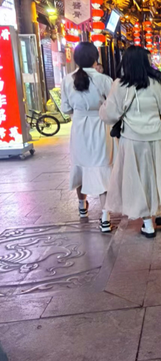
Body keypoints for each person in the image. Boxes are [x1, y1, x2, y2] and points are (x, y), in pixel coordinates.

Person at [100, 46, 161, 238]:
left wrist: (102, 108)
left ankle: (148, 223)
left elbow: (110, 114)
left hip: (132, 140)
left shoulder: (120, 85)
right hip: (156, 138)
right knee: (156, 175)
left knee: (137, 179)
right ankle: (160, 212)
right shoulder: (155, 83)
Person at [60, 42, 114, 232]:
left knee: (80, 166)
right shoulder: (104, 80)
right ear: (95, 58)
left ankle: (82, 207)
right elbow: (113, 106)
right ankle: (105, 217)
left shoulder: (67, 80)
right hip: (100, 126)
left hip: (79, 127)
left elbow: (65, 109)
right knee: (102, 168)